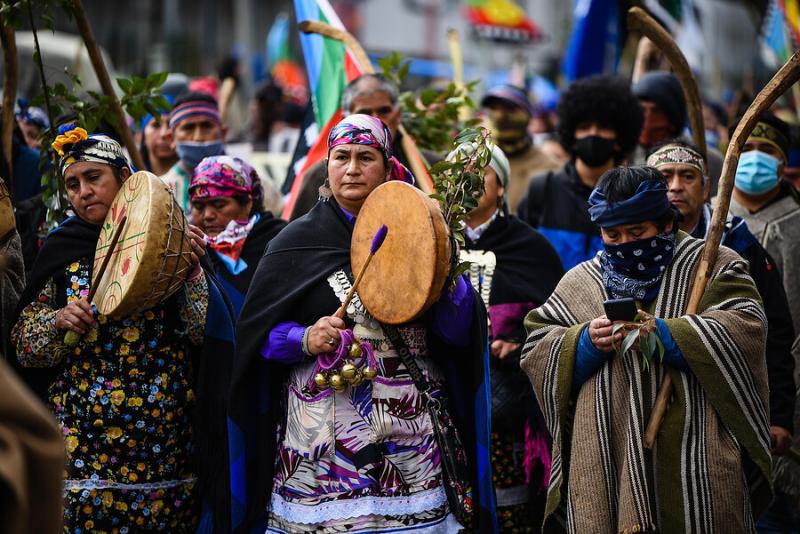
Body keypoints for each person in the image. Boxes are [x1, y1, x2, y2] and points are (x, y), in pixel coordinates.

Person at [228, 114, 495, 533]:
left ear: (388, 167)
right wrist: (304, 338)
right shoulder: (294, 242)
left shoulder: (421, 235)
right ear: (327, 165)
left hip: (410, 441)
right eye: (342, 157)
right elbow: (257, 338)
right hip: (320, 450)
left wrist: (445, 269)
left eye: (365, 157)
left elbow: (458, 333)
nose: (352, 168)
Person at [521, 166, 771, 532]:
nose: (624, 243)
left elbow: (747, 326)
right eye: (613, 234)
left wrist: (670, 336)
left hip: (696, 460)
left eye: (637, 232)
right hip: (608, 457)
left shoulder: (714, 264)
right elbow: (537, 348)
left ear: (665, 224)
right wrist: (586, 342)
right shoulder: (581, 282)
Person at [11, 125, 233, 532]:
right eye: (72, 184)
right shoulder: (62, 248)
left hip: (164, 446)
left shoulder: (173, 240)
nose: (83, 192)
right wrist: (58, 322)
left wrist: (193, 271)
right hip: (81, 445)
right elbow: (23, 347)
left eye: (93, 177)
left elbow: (206, 333)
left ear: (126, 180)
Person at [647, 139, 795, 454]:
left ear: (706, 189)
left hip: (725, 401)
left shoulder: (739, 246)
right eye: (663, 178)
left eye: (687, 176)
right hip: (648, 401)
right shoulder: (631, 241)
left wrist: (779, 415)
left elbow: (773, 332)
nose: (675, 187)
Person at [456, 142, 563, 532]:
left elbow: (557, 317)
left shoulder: (529, 247)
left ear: (501, 186)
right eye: (460, 172)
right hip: (445, 400)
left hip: (509, 408)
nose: (469, 180)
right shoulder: (430, 244)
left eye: (480, 171)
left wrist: (518, 341)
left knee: (509, 512)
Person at [517, 75, 643, 271]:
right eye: (584, 127)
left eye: (603, 127)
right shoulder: (544, 189)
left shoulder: (632, 197)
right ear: (572, 135)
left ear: (620, 137)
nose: (593, 134)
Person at [289, 73, 440, 220]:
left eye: (384, 111)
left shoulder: (433, 168)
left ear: (398, 115)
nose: (375, 120)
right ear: (345, 119)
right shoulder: (320, 175)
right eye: (364, 113)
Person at [727, 113, 800, 336]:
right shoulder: (709, 218)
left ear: (782, 162)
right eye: (746, 149)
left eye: (767, 150)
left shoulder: (795, 219)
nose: (755, 157)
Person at [189, 155, 286, 316]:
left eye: (219, 205)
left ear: (247, 203)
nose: (207, 215)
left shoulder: (281, 242)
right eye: (198, 206)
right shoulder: (188, 252)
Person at [632, 71, 724, 187]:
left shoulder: (710, 161)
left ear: (673, 118)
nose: (647, 119)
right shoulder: (623, 156)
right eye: (641, 110)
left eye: (656, 111)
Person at [480, 84, 561, 212]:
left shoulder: (549, 167)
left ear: (527, 115)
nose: (501, 116)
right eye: (494, 108)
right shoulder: (475, 162)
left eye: (510, 109)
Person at [161, 92, 227, 214]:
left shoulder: (252, 184)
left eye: (207, 126)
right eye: (189, 127)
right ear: (171, 138)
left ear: (223, 134)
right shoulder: (160, 191)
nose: (198, 137)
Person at [139, 97, 178, 177]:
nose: (164, 134)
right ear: (143, 136)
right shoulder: (130, 182)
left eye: (171, 125)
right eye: (156, 125)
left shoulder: (198, 180)